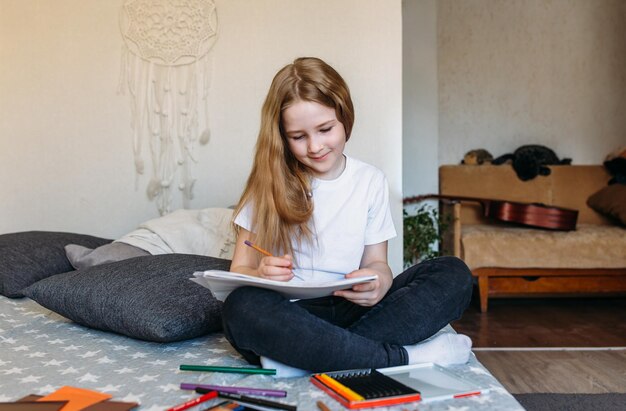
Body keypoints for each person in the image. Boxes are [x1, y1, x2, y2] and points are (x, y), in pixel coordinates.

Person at [222, 57, 473, 377]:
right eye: (298, 136)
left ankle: (302, 359)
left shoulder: (370, 181)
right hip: (291, 315)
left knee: (453, 273)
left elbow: (377, 263)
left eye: (325, 129)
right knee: (240, 308)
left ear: (345, 118)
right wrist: (260, 273)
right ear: (282, 136)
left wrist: (379, 282)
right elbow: (238, 270)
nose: (315, 146)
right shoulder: (268, 184)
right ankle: (404, 357)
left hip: (354, 310)